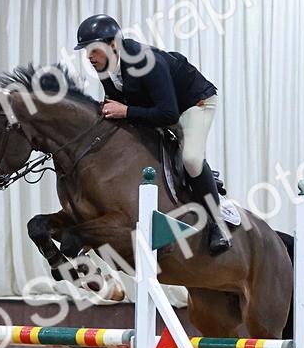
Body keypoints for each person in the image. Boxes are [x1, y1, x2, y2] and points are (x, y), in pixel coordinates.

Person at [74, 14, 230, 255]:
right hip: (161, 107)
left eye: (93, 50)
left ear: (112, 44)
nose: (89, 57)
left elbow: (168, 115)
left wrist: (125, 110)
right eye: (86, 51)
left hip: (193, 104)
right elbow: (117, 101)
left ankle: (218, 223)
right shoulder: (105, 66)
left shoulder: (147, 62)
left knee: (190, 158)